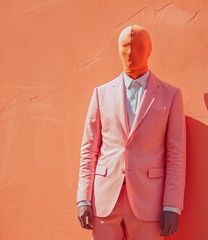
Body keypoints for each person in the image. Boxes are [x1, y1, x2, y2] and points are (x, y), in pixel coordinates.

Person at [76, 24, 186, 240]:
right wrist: (83, 198)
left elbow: (176, 153)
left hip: (149, 203)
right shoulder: (101, 93)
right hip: (104, 200)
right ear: (118, 50)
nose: (131, 53)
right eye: (125, 46)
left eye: (138, 47)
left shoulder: (170, 95)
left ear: (149, 50)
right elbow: (89, 148)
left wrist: (172, 205)